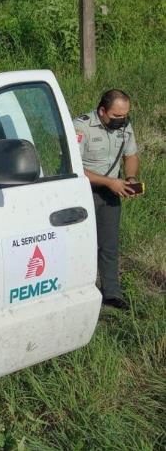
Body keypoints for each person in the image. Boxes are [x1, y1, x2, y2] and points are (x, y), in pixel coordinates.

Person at [73, 89, 139, 310]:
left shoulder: (124, 125)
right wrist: (109, 182)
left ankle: (111, 293)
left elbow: (131, 154)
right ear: (102, 111)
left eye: (125, 115)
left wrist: (129, 178)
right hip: (84, 193)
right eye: (117, 116)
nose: (122, 120)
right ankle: (80, 292)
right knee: (81, 244)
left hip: (112, 192)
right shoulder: (81, 126)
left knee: (109, 244)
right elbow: (74, 169)